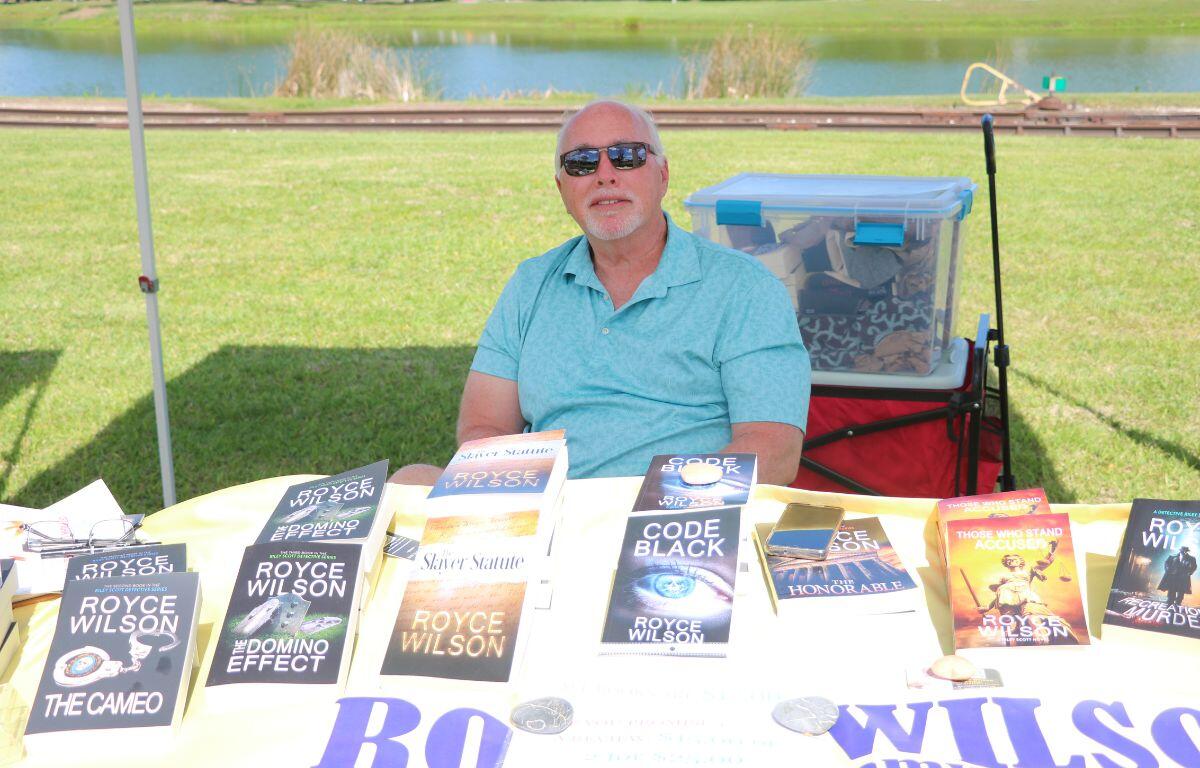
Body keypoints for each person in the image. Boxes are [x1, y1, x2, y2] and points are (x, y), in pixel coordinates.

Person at [392, 100, 810, 486]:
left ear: (662, 175)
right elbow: (484, 426)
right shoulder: (532, 282)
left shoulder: (743, 288)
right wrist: (530, 505)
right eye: (582, 163)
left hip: (677, 515)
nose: (605, 174)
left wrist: (650, 507)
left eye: (627, 156)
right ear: (562, 191)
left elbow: (774, 450)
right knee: (408, 482)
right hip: (549, 510)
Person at [977, 546, 1081, 645]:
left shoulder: (1028, 572)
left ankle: (1041, 640)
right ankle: (1013, 649)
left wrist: (1051, 550)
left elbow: (1045, 562)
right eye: (1008, 560)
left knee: (1032, 615)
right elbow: (998, 594)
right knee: (1010, 625)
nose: (1011, 561)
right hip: (1006, 599)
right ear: (1006, 564)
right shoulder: (1004, 577)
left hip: (1026, 596)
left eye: (1014, 559)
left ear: (1020, 562)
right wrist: (988, 607)